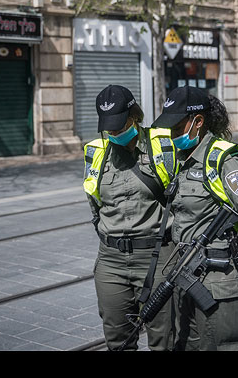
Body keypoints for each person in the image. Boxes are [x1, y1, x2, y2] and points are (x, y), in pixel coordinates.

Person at [151, 86, 238, 351]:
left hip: (219, 278)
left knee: (224, 346)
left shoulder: (224, 159)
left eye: (177, 127)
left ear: (198, 122)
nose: (171, 134)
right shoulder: (183, 160)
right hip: (186, 273)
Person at [83, 85, 177, 351]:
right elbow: (95, 205)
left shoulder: (163, 147)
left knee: (164, 340)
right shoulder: (96, 153)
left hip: (157, 257)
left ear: (134, 117)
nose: (113, 133)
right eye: (108, 128)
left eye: (119, 125)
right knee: (118, 341)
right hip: (111, 261)